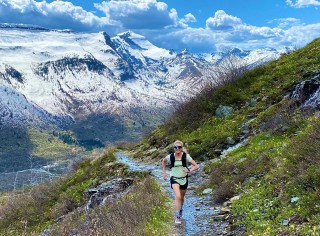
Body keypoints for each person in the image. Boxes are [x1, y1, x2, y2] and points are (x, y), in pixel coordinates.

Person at [162, 140, 199, 224]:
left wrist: (189, 170)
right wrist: (164, 173)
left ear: (182, 148)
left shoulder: (186, 156)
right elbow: (163, 162)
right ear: (174, 148)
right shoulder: (170, 156)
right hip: (174, 178)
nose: (177, 148)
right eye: (175, 147)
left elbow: (196, 165)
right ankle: (177, 216)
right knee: (177, 196)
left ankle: (181, 209)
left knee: (181, 198)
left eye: (179, 147)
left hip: (184, 179)